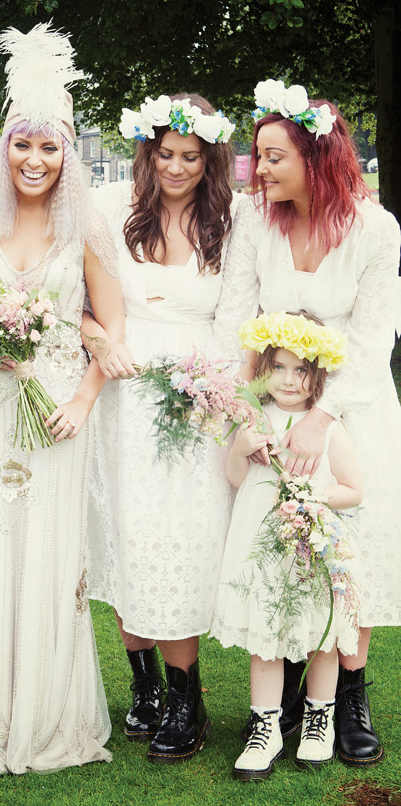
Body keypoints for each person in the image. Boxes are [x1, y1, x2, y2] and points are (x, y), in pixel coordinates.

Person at [0, 24, 124, 778]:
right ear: (4, 145)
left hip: (53, 415)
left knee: (44, 560)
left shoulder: (88, 224)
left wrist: (81, 397)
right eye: (22, 145)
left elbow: (111, 332)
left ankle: (46, 718)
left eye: (49, 148)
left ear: (68, 154)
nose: (34, 161)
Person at [213, 78, 401, 766]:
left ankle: (347, 698)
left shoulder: (376, 229)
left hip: (354, 408)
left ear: (316, 156)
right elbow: (235, 319)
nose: (257, 170)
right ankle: (284, 697)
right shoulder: (253, 220)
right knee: (278, 550)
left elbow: (376, 336)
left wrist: (323, 419)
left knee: (353, 552)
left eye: (271, 157)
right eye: (258, 157)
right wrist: (243, 414)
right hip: (274, 402)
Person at [82, 93, 238, 763]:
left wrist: (219, 386)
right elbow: (81, 303)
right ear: (147, 152)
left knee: (181, 539)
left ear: (210, 160)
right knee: (126, 533)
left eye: (191, 158)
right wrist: (96, 339)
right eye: (166, 155)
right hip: (125, 394)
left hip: (198, 397)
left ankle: (187, 695)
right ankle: (143, 686)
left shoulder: (230, 222)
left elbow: (239, 316)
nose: (176, 168)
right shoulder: (112, 209)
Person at [210, 311, 363, 779]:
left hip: (312, 549)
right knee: (266, 643)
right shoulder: (252, 419)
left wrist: (310, 495)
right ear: (263, 370)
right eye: (279, 367)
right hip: (262, 548)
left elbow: (353, 490)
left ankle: (320, 719)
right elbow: (238, 480)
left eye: (301, 370)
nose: (290, 380)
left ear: (317, 376)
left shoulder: (329, 429)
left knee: (323, 639)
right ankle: (267, 726)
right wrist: (239, 448)